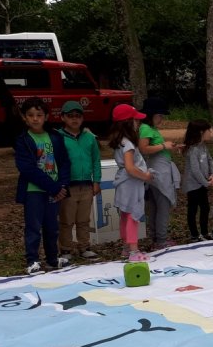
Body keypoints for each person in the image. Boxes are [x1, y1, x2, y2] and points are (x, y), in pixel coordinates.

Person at [14, 98, 72, 274]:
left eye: (39, 115)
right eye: (31, 115)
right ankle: (32, 260)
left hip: (55, 191)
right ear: (24, 117)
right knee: (33, 227)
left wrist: (62, 185)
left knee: (52, 226)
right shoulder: (23, 140)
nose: (35, 119)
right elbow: (27, 168)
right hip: (34, 191)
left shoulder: (55, 137)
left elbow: (64, 162)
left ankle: (52, 258)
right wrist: (53, 187)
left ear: (46, 117)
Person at [57, 100, 102, 262]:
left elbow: (96, 160)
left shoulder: (89, 137)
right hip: (68, 186)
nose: (74, 119)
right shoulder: (58, 137)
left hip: (86, 185)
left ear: (82, 118)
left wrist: (96, 181)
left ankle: (84, 247)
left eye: (78, 116)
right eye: (70, 116)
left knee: (84, 219)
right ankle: (65, 249)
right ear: (63, 117)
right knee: (66, 220)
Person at [108, 103, 153, 262]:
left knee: (125, 215)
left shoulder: (120, 141)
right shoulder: (128, 144)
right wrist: (145, 176)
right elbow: (130, 168)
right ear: (128, 123)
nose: (138, 123)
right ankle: (134, 251)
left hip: (124, 184)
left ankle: (127, 248)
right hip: (131, 184)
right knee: (133, 216)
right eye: (135, 120)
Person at [139, 96, 181, 249]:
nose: (161, 119)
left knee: (156, 207)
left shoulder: (150, 129)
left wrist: (169, 147)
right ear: (151, 114)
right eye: (160, 115)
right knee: (163, 205)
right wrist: (164, 146)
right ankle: (161, 240)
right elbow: (144, 148)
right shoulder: (146, 128)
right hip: (158, 173)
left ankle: (156, 239)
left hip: (157, 170)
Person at [182, 119, 213, 241]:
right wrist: (206, 183)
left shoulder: (203, 147)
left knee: (205, 208)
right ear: (201, 132)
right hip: (193, 186)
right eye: (209, 130)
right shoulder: (193, 150)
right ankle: (194, 235)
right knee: (193, 209)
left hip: (202, 185)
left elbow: (211, 161)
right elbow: (195, 170)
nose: (211, 133)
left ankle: (205, 232)